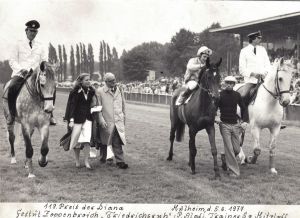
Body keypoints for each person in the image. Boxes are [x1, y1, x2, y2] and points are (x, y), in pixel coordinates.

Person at [6, 20, 57, 125]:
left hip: (36, 74)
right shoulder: (18, 43)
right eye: (31, 30)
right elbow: (12, 60)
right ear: (26, 31)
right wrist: (21, 69)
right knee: (12, 87)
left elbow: (44, 60)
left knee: (51, 87)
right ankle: (11, 114)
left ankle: (50, 114)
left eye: (35, 31)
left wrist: (45, 68)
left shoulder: (41, 45)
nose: (32, 33)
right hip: (20, 73)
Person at [64, 73, 101, 169]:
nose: (89, 81)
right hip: (77, 120)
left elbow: (94, 103)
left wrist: (95, 109)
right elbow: (72, 107)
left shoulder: (91, 91)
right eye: (86, 80)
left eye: (89, 80)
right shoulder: (75, 92)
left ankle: (86, 161)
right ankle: (77, 161)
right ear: (81, 81)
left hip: (88, 119)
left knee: (87, 141)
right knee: (77, 140)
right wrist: (71, 120)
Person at [215, 76, 248, 178]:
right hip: (224, 125)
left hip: (236, 125)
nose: (229, 84)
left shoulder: (237, 95)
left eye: (231, 83)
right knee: (229, 148)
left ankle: (224, 157)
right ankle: (234, 172)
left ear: (234, 84)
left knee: (237, 150)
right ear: (225, 84)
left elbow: (244, 108)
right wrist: (215, 117)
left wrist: (244, 121)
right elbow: (214, 107)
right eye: (227, 83)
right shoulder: (220, 95)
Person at [96, 72, 128, 169]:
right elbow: (98, 107)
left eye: (114, 80)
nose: (114, 82)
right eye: (111, 81)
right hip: (106, 119)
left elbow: (123, 104)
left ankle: (120, 161)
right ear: (105, 82)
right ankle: (103, 158)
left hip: (118, 120)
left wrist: (123, 116)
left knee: (117, 141)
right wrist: (101, 119)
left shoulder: (119, 90)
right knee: (104, 141)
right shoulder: (100, 91)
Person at [238, 31, 271, 119]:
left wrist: (265, 73)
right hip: (251, 81)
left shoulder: (262, 50)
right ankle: (244, 119)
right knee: (244, 96)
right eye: (258, 38)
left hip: (264, 80)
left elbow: (268, 64)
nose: (260, 39)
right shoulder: (244, 51)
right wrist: (253, 74)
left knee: (276, 93)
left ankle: (276, 119)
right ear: (253, 39)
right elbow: (241, 69)